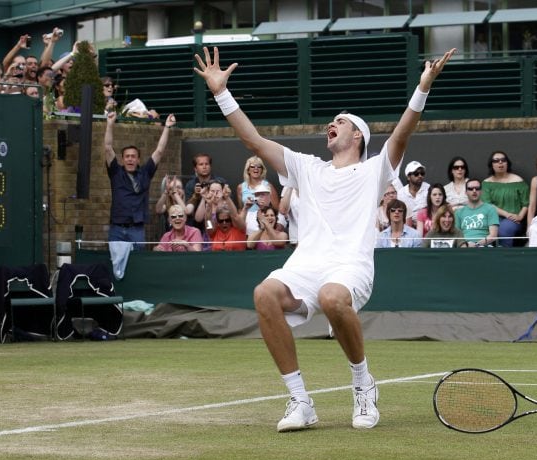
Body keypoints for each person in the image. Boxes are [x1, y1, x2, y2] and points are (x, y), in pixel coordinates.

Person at [194, 45, 455, 431]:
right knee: (264, 293)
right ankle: (300, 400)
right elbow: (253, 142)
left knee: (333, 297)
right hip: (306, 266)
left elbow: (402, 135)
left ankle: (363, 384)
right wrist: (220, 92)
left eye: (340, 121)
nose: (331, 124)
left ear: (357, 136)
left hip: (350, 268)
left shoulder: (373, 170)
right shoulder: (306, 167)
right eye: (331, 121)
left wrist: (423, 87)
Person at [104, 110, 176, 248]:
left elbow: (159, 151)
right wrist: (109, 124)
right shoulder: (115, 172)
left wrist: (167, 127)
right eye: (127, 156)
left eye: (133, 156)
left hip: (137, 229)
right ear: (123, 159)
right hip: (117, 228)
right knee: (116, 266)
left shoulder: (145, 172)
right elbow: (107, 148)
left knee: (138, 262)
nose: (130, 159)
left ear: (138, 159)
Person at [482, 151, 529, 247]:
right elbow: (488, 204)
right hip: (493, 218)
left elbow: (526, 203)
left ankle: (504, 256)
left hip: (514, 220)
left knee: (504, 229)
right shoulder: (486, 183)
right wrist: (507, 214)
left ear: (507, 163)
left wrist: (520, 216)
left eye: (503, 160)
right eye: (496, 160)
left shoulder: (518, 181)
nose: (500, 163)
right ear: (491, 165)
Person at [456, 178, 499, 247]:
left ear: (481, 191)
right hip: (464, 248)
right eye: (470, 189)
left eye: (477, 188)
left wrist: (477, 244)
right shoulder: (459, 212)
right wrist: (464, 245)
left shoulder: (490, 209)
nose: (474, 191)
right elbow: (456, 235)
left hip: (485, 247)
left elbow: (493, 236)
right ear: (466, 192)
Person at [397, 160, 429, 225]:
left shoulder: (429, 189)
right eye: (416, 174)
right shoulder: (401, 193)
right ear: (408, 177)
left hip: (426, 225)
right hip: (407, 226)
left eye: (422, 173)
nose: (420, 176)